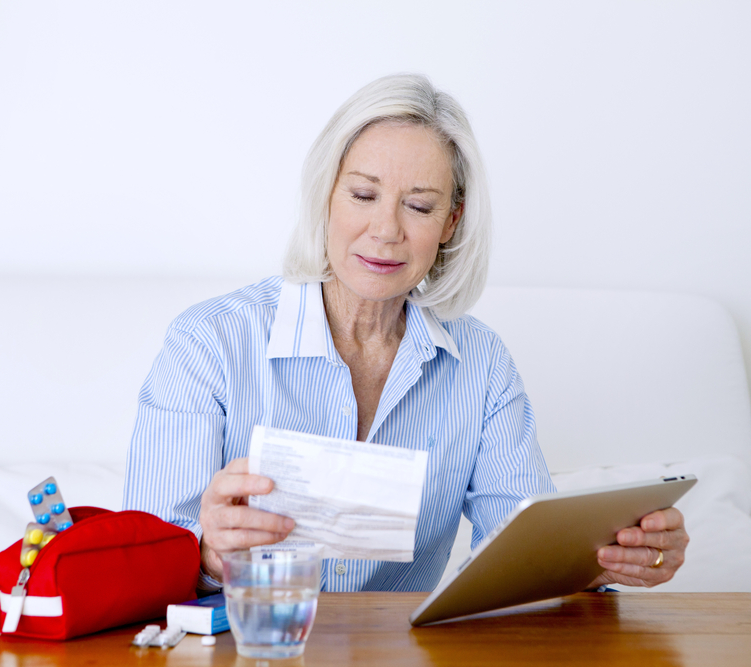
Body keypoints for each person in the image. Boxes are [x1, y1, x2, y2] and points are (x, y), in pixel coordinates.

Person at [123, 74, 688, 593]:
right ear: (326, 197)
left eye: (418, 206)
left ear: (450, 223)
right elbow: (137, 562)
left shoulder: (482, 364)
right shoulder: (209, 343)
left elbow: (522, 550)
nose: (386, 230)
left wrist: (612, 559)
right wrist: (208, 556)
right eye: (363, 195)